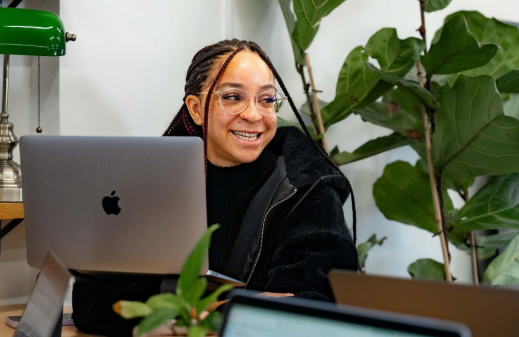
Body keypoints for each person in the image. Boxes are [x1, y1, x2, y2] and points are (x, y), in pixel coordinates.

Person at [72, 39, 358, 336]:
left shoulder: (308, 190)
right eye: (233, 97)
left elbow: (303, 311)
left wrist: (172, 317)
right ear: (195, 109)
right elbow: (92, 305)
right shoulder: (153, 184)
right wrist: (214, 311)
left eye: (267, 99)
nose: (253, 114)